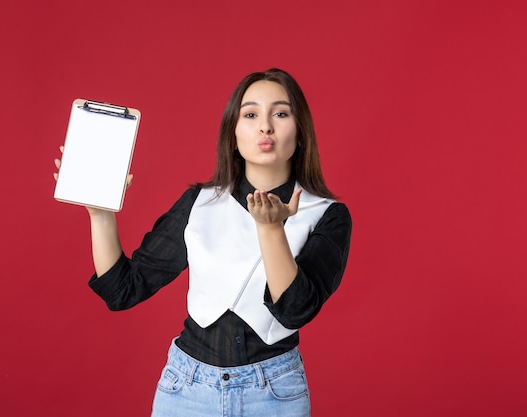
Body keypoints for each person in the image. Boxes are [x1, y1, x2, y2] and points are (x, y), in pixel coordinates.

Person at [54, 68, 352, 417]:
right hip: (186, 390)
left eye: (281, 114)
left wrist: (272, 231)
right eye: (251, 114)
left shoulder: (327, 215)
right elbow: (123, 291)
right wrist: (101, 214)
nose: (265, 127)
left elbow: (295, 310)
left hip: (274, 395)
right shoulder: (200, 201)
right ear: (233, 132)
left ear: (300, 132)